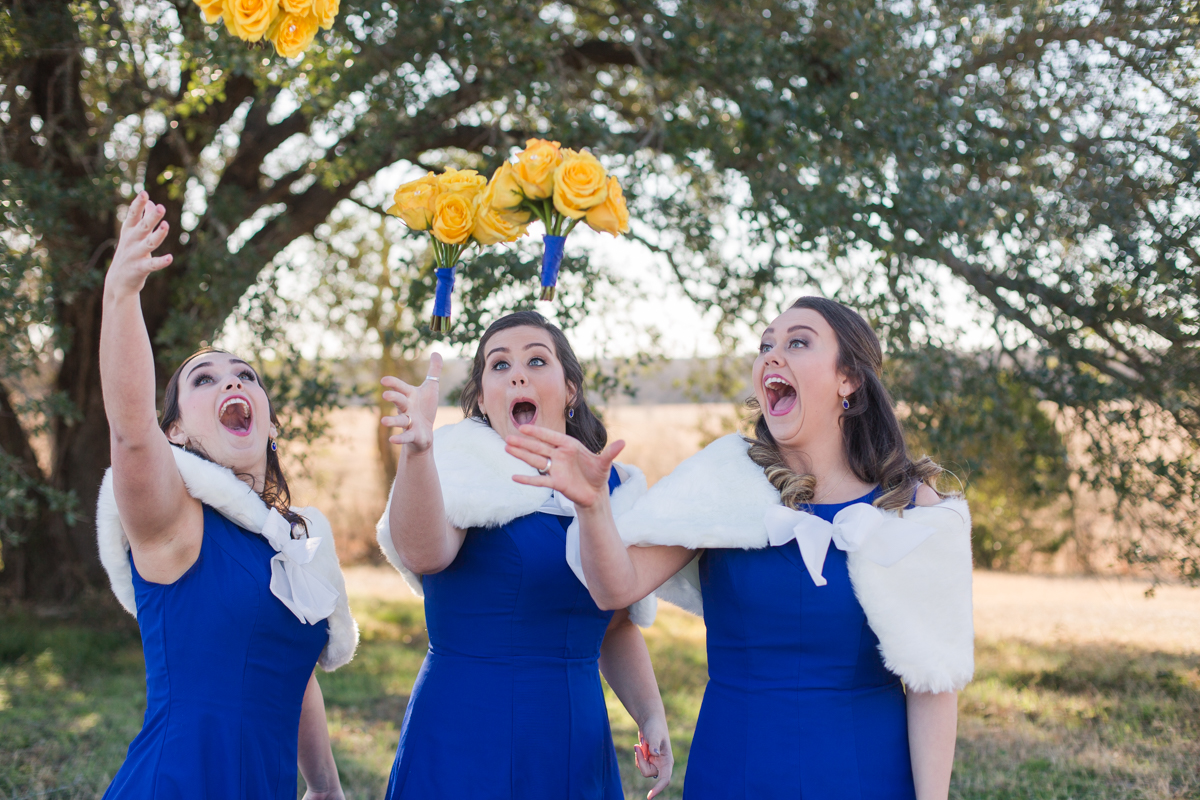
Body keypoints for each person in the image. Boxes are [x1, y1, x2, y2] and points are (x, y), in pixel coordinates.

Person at [506, 296, 974, 800]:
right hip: (734, 770)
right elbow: (613, 588)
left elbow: (933, 681)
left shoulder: (915, 508)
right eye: (765, 345)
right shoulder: (724, 479)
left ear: (849, 379)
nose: (772, 355)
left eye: (797, 342)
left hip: (865, 774)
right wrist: (593, 505)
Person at [95, 191, 358, 800]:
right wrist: (121, 293)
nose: (233, 381)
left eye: (246, 376)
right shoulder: (171, 520)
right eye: (205, 379)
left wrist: (325, 789)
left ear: (267, 421)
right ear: (177, 433)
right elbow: (131, 434)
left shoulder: (292, 541)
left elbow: (294, 679)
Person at [375, 310, 673, 799]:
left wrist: (651, 714)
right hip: (468, 727)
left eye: (537, 360)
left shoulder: (614, 487)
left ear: (570, 389)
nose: (517, 373)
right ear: (482, 398)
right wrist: (419, 452)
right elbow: (423, 554)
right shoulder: (457, 463)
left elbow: (617, 623)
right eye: (499, 365)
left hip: (575, 734)